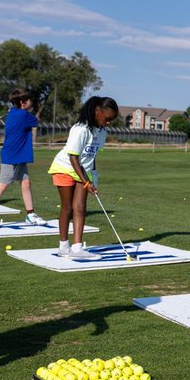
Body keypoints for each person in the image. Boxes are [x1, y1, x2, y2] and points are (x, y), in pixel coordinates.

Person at [47, 96, 118, 260]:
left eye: (111, 120)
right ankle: (63, 246)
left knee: (80, 206)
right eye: (107, 119)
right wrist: (86, 181)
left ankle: (77, 247)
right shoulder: (80, 129)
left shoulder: (102, 132)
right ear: (97, 111)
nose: (108, 123)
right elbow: (73, 157)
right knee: (68, 207)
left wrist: (93, 177)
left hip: (83, 170)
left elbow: (92, 156)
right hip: (65, 167)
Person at [0, 88, 45, 228]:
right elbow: (36, 121)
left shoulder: (14, 113)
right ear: (23, 103)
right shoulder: (23, 115)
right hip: (12, 156)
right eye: (29, 100)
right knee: (2, 185)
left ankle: (30, 214)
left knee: (25, 183)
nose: (31, 102)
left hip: (19, 156)